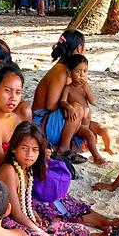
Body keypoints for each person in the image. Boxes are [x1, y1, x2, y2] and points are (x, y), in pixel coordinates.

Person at [31, 30, 92, 159]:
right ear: (80, 47)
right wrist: (67, 106)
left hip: (47, 121)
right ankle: (64, 148)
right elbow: (50, 105)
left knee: (88, 123)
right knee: (77, 108)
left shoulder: (66, 69)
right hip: (41, 123)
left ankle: (64, 145)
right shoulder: (61, 72)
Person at [60, 54, 111, 160]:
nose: (82, 75)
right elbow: (62, 101)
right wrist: (69, 107)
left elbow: (93, 101)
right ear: (70, 73)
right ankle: (97, 157)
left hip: (88, 122)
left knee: (104, 130)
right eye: (78, 71)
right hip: (79, 125)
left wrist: (87, 90)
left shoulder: (85, 88)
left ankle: (107, 148)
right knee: (90, 135)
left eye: (85, 71)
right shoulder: (68, 88)